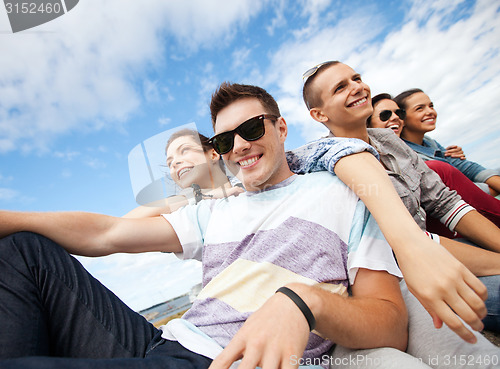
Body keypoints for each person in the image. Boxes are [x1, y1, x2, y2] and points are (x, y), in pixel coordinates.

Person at [0, 83, 408, 368]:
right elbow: (107, 234)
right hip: (163, 342)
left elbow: (391, 323)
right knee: (22, 250)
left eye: (251, 130)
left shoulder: (341, 192)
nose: (240, 147)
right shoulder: (211, 211)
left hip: (220, 359)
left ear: (281, 128)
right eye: (226, 140)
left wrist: (308, 302)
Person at [299, 60, 500, 367]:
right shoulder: (322, 166)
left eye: (356, 78)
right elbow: (402, 244)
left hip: (437, 252)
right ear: (319, 114)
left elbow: (444, 202)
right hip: (401, 278)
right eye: (341, 87)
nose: (357, 87)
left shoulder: (389, 141)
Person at [367, 93, 500, 236]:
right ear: (368, 124)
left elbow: (467, 168)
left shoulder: (429, 144)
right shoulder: (383, 158)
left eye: (399, 113)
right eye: (385, 115)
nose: (395, 118)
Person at [395, 88, 500, 196]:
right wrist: (492, 189)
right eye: (419, 109)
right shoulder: (406, 156)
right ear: (401, 118)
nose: (430, 111)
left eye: (431, 106)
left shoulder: (430, 142)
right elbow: (454, 190)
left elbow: (468, 168)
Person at [124, 129, 243, 218]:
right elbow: (125, 223)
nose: (175, 162)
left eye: (184, 150)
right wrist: (197, 196)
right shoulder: (184, 211)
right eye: (170, 163)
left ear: (213, 155)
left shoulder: (249, 183)